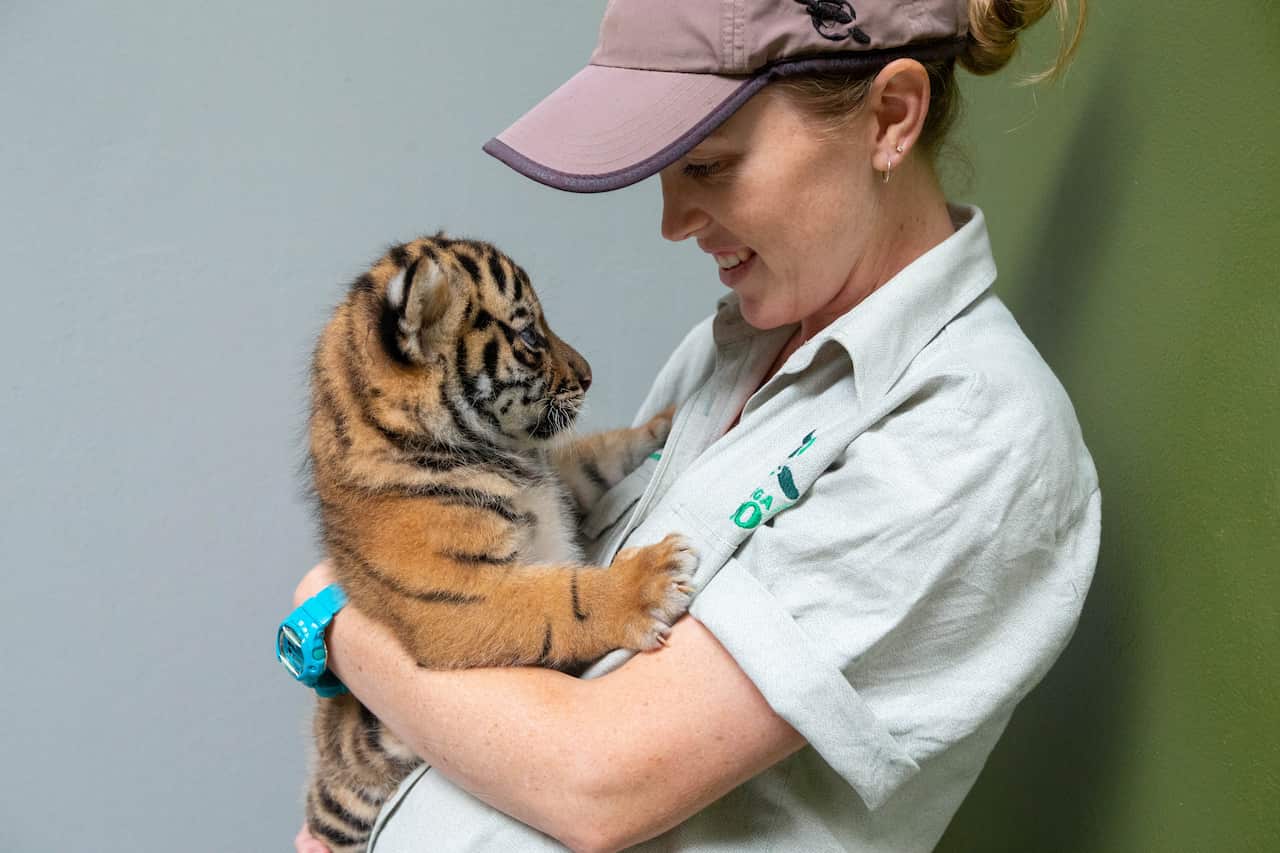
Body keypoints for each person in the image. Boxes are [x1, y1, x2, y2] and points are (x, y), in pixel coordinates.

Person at [292, 0, 1099, 850]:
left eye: (708, 165)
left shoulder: (971, 430)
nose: (672, 222)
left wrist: (333, 616)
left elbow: (595, 780)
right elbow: (527, 661)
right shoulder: (734, 348)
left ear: (891, 117)